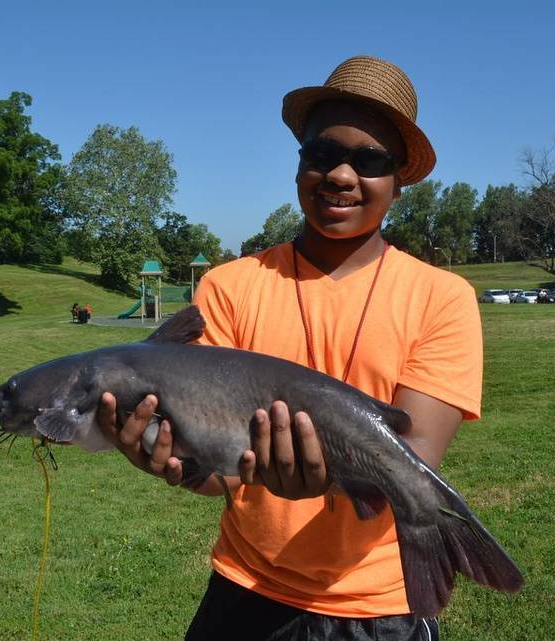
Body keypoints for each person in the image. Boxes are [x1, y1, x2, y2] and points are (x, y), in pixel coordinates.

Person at [95, 55, 482, 641]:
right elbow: (219, 475)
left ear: (399, 182)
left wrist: (330, 475)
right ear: (299, 163)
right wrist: (169, 461)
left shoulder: (441, 297)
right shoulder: (229, 286)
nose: (341, 175)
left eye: (370, 160)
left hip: (377, 607)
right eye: (321, 153)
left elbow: (414, 460)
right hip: (246, 590)